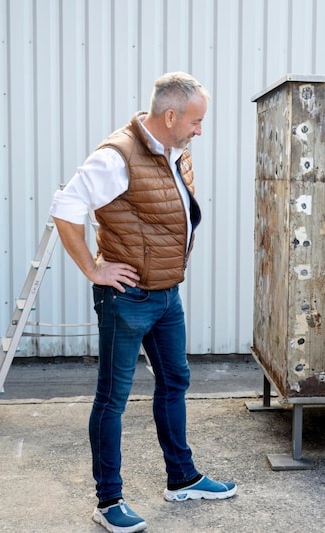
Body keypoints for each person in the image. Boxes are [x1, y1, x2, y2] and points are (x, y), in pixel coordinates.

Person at [49, 72, 236, 533]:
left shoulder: (175, 148)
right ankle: (108, 501)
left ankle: (182, 478)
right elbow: (65, 208)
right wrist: (95, 270)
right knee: (112, 399)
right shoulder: (116, 156)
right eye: (195, 120)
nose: (200, 129)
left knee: (175, 381)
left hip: (167, 293)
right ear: (170, 116)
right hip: (127, 299)